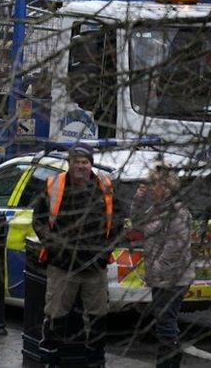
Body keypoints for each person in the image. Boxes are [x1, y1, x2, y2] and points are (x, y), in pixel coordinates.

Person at [33, 144, 114, 366]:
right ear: (69, 163)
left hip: (94, 266)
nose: (81, 166)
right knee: (55, 316)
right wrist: (55, 247)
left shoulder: (105, 185)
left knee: (97, 318)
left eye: (85, 162)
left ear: (91, 164)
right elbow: (38, 220)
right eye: (76, 162)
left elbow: (117, 219)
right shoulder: (54, 184)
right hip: (62, 266)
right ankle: (50, 360)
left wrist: (105, 250)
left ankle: (95, 362)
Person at [131, 167, 194, 367]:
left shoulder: (177, 212)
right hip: (161, 278)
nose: (150, 188)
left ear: (166, 187)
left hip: (172, 278)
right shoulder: (157, 209)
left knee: (166, 323)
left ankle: (169, 363)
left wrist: (156, 270)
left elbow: (175, 247)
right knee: (164, 323)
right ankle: (168, 361)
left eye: (154, 184)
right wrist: (138, 199)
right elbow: (137, 223)